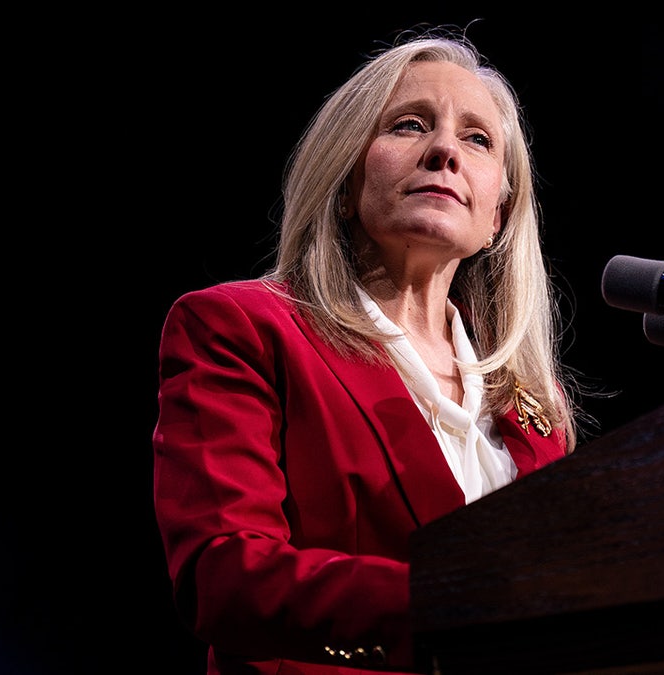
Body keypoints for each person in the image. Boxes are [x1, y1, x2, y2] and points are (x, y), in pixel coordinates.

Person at [152, 27, 585, 674]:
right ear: (346, 178)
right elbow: (225, 576)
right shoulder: (243, 329)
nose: (445, 150)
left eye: (477, 138)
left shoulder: (536, 409)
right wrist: (446, 602)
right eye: (410, 125)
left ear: (497, 215)